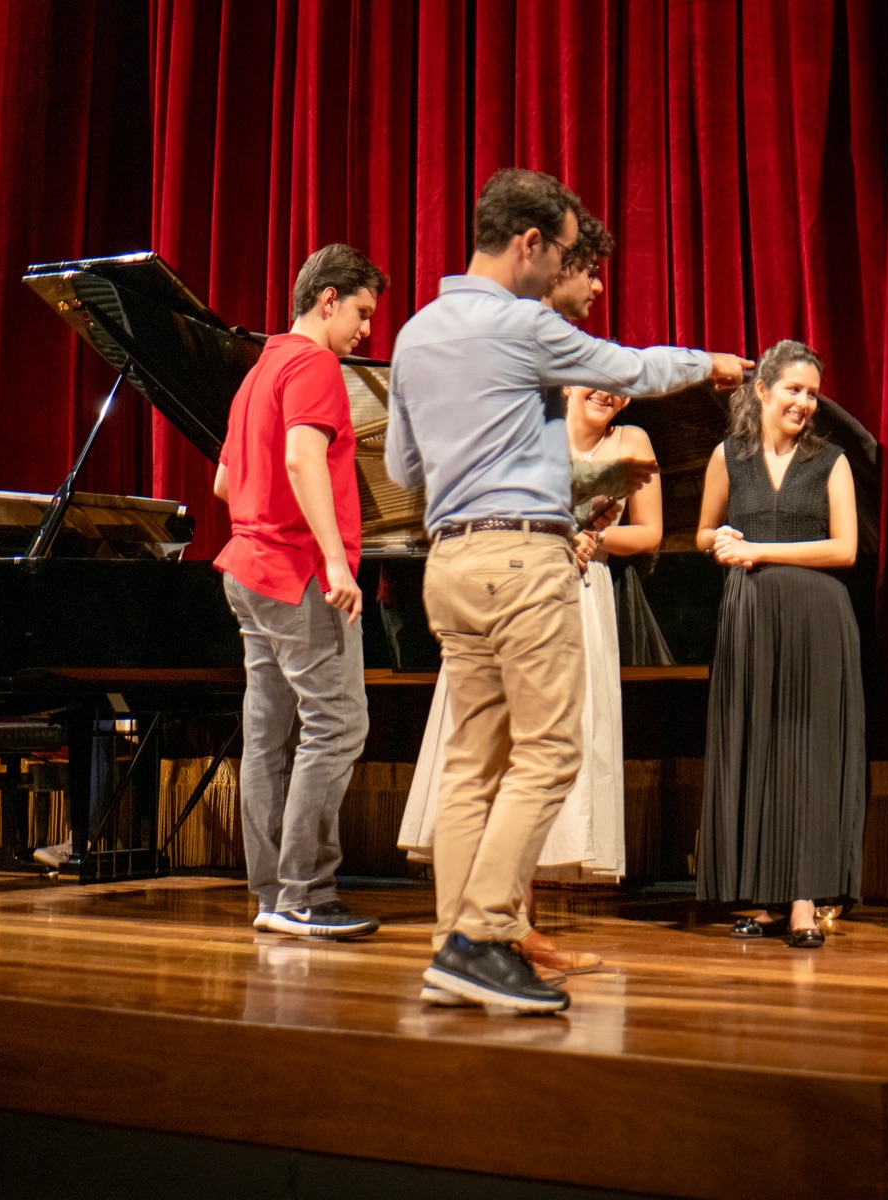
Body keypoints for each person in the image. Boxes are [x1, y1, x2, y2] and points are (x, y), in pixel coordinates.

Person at [385, 167, 750, 1013]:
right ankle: (482, 936)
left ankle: (452, 948)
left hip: (450, 563)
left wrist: (556, 471)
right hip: (523, 563)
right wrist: (713, 365)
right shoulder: (520, 324)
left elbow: (404, 468)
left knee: (472, 764)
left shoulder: (415, 332)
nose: (563, 271)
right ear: (529, 243)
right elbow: (630, 367)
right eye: (561, 253)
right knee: (550, 752)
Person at [397, 220, 659, 981]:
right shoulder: (527, 385)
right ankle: (485, 934)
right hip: (512, 575)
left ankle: (482, 936)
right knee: (517, 755)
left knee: (514, 759)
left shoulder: (627, 440)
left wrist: (591, 533)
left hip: (532, 579)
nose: (605, 389)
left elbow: (410, 469)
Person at [211, 244, 388, 939]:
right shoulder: (314, 364)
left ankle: (272, 896)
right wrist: (336, 563)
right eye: (362, 313)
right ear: (327, 299)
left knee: (268, 738)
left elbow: (226, 483)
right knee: (338, 726)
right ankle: (306, 894)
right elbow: (300, 456)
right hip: (298, 575)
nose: (366, 330)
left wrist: (268, 523)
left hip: (247, 570)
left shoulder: (257, 371)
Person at [695, 340, 865, 949]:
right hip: (748, 618)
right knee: (758, 749)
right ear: (762, 390)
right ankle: (766, 895)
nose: (804, 402)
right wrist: (720, 541)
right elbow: (702, 532)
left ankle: (803, 900)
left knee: (807, 754)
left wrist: (759, 549)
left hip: (817, 620)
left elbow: (844, 549)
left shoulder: (831, 461)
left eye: (813, 393)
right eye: (794, 389)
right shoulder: (728, 456)